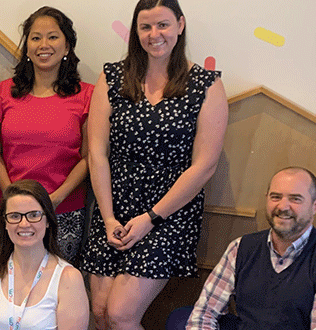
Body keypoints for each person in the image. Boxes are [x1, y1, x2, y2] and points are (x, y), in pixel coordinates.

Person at [79, 0, 229, 328]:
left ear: (180, 25)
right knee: (101, 312)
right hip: (114, 205)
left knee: (120, 313)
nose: (154, 34)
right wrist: (107, 218)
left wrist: (150, 218)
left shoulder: (206, 84)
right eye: (145, 26)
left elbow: (204, 166)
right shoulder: (113, 77)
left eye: (162, 25)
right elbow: (97, 152)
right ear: (136, 31)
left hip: (169, 212)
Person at [187, 167, 316, 329]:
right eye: (275, 197)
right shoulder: (240, 248)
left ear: (315, 206)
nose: (283, 207)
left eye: (295, 199)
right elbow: (204, 314)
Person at [0, 6, 93, 263]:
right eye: (35, 38)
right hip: (9, 210)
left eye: (53, 37)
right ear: (27, 47)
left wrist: (54, 199)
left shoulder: (87, 94)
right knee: (6, 285)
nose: (43, 45)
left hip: (62, 210)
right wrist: (12, 194)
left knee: (57, 291)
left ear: (67, 46)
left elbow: (89, 158)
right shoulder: (4, 91)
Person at [0, 179, 89, 329]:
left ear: (48, 220)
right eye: (14, 216)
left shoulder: (69, 278)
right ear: (4, 223)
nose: (24, 224)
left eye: (33, 215)